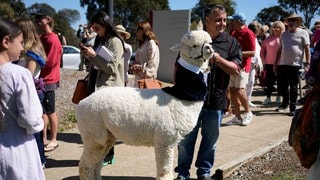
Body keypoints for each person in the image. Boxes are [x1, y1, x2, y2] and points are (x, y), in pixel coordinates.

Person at [174, 4, 242, 180]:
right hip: (189, 101)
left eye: (225, 20)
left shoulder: (231, 42)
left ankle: (204, 173)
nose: (222, 23)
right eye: (218, 20)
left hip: (216, 101)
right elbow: (177, 66)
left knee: (210, 143)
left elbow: (235, 69)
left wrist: (217, 58)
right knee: (185, 141)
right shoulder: (193, 37)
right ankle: (182, 173)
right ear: (207, 20)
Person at [0, 17, 45, 179]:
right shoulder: (19, 74)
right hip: (17, 147)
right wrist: (39, 123)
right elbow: (31, 119)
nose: (22, 47)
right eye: (19, 42)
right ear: (6, 41)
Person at [80, 11, 125, 166]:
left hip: (109, 89)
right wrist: (88, 55)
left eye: (97, 27)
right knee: (99, 126)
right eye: (93, 28)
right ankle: (102, 154)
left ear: (105, 25)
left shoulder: (115, 42)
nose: (95, 31)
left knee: (108, 126)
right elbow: (98, 64)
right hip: (96, 86)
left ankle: (108, 155)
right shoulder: (100, 40)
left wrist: (93, 56)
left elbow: (111, 68)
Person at [15, 18, 47, 167]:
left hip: (31, 93)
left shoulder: (32, 52)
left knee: (33, 131)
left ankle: (40, 161)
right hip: (26, 93)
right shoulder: (25, 51)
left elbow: (28, 75)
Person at [31, 8, 62, 152]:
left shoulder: (53, 39)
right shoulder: (41, 38)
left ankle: (54, 139)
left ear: (48, 20)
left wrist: (35, 63)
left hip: (49, 80)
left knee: (50, 111)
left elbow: (52, 62)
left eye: (40, 18)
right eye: (36, 19)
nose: (37, 21)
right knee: (42, 111)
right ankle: (43, 138)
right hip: (40, 80)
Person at [275, 13, 311, 116]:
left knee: (294, 87)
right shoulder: (284, 34)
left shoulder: (303, 33)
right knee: (283, 86)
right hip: (283, 64)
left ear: (297, 22)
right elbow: (280, 49)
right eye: (289, 21)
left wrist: (308, 64)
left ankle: (293, 107)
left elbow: (307, 49)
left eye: (293, 21)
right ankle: (285, 104)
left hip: (295, 64)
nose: (291, 23)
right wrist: (275, 63)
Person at [226, 12, 255, 126]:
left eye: (232, 21)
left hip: (243, 67)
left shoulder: (249, 33)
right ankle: (237, 117)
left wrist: (237, 54)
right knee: (232, 91)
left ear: (238, 21)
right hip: (233, 65)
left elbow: (253, 52)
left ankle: (248, 112)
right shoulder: (233, 32)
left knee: (239, 90)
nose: (231, 23)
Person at [260, 21, 286, 105]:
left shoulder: (284, 38)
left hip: (281, 63)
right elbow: (262, 50)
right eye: (274, 27)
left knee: (280, 81)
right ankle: (268, 97)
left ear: (281, 28)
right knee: (269, 82)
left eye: (277, 27)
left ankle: (279, 96)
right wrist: (263, 61)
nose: (275, 29)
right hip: (269, 63)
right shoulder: (268, 39)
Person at [129, 21, 160, 87]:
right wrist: (133, 66)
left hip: (147, 83)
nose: (136, 32)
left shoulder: (151, 43)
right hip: (138, 82)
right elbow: (138, 61)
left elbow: (153, 67)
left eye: (138, 30)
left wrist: (140, 67)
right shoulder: (141, 44)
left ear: (144, 31)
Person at [247, 21, 263, 107]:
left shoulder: (256, 39)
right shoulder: (249, 37)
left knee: (251, 81)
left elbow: (257, 53)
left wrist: (259, 63)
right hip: (247, 62)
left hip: (253, 64)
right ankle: (243, 99)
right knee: (246, 82)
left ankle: (247, 99)